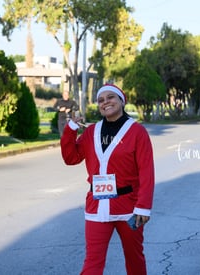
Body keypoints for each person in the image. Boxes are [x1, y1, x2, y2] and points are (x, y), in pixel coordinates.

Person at [60, 83, 155, 275]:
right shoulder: (91, 131)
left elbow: (146, 171)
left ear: (121, 100)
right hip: (97, 206)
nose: (105, 102)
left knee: (134, 257)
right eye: (101, 100)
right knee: (93, 261)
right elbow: (70, 158)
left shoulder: (137, 132)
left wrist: (143, 206)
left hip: (129, 208)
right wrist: (71, 129)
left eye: (110, 97)